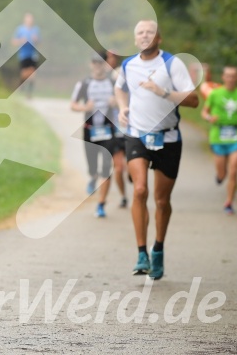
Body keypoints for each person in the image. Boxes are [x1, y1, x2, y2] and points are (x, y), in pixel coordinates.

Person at [115, 20, 199, 280]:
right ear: (135, 39)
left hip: (168, 138)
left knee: (162, 201)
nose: (145, 36)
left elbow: (194, 100)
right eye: (140, 32)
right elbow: (120, 88)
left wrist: (164, 93)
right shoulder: (128, 64)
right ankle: (142, 253)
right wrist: (122, 107)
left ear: (158, 38)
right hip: (137, 135)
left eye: (149, 32)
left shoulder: (172, 64)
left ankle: (158, 248)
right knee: (140, 189)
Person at [201, 66, 237, 215]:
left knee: (233, 172)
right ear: (223, 77)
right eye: (228, 76)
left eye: (234, 76)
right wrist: (209, 118)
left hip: (235, 136)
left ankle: (229, 203)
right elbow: (204, 112)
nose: (231, 79)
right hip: (217, 136)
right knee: (223, 173)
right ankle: (220, 176)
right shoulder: (215, 94)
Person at [71, 52, 119, 218]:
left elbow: (126, 101)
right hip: (90, 130)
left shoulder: (113, 83)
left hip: (108, 131)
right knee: (93, 166)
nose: (98, 65)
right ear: (91, 64)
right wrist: (85, 108)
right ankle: (92, 177)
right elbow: (73, 105)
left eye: (101, 62)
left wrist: (116, 103)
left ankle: (101, 204)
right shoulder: (84, 83)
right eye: (95, 62)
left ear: (106, 64)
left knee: (107, 166)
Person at [105, 50, 129, 208]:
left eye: (113, 56)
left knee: (132, 168)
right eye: (108, 56)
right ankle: (123, 196)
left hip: (132, 128)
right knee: (118, 168)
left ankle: (134, 174)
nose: (111, 59)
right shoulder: (102, 76)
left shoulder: (125, 72)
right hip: (114, 129)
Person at [12, 12, 40, 98]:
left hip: (33, 54)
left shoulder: (36, 30)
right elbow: (13, 41)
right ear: (25, 20)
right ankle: (21, 84)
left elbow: (39, 42)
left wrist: (36, 39)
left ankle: (29, 94)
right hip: (23, 55)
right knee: (24, 73)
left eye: (31, 19)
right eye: (28, 19)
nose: (29, 21)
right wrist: (21, 41)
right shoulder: (20, 29)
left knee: (32, 74)